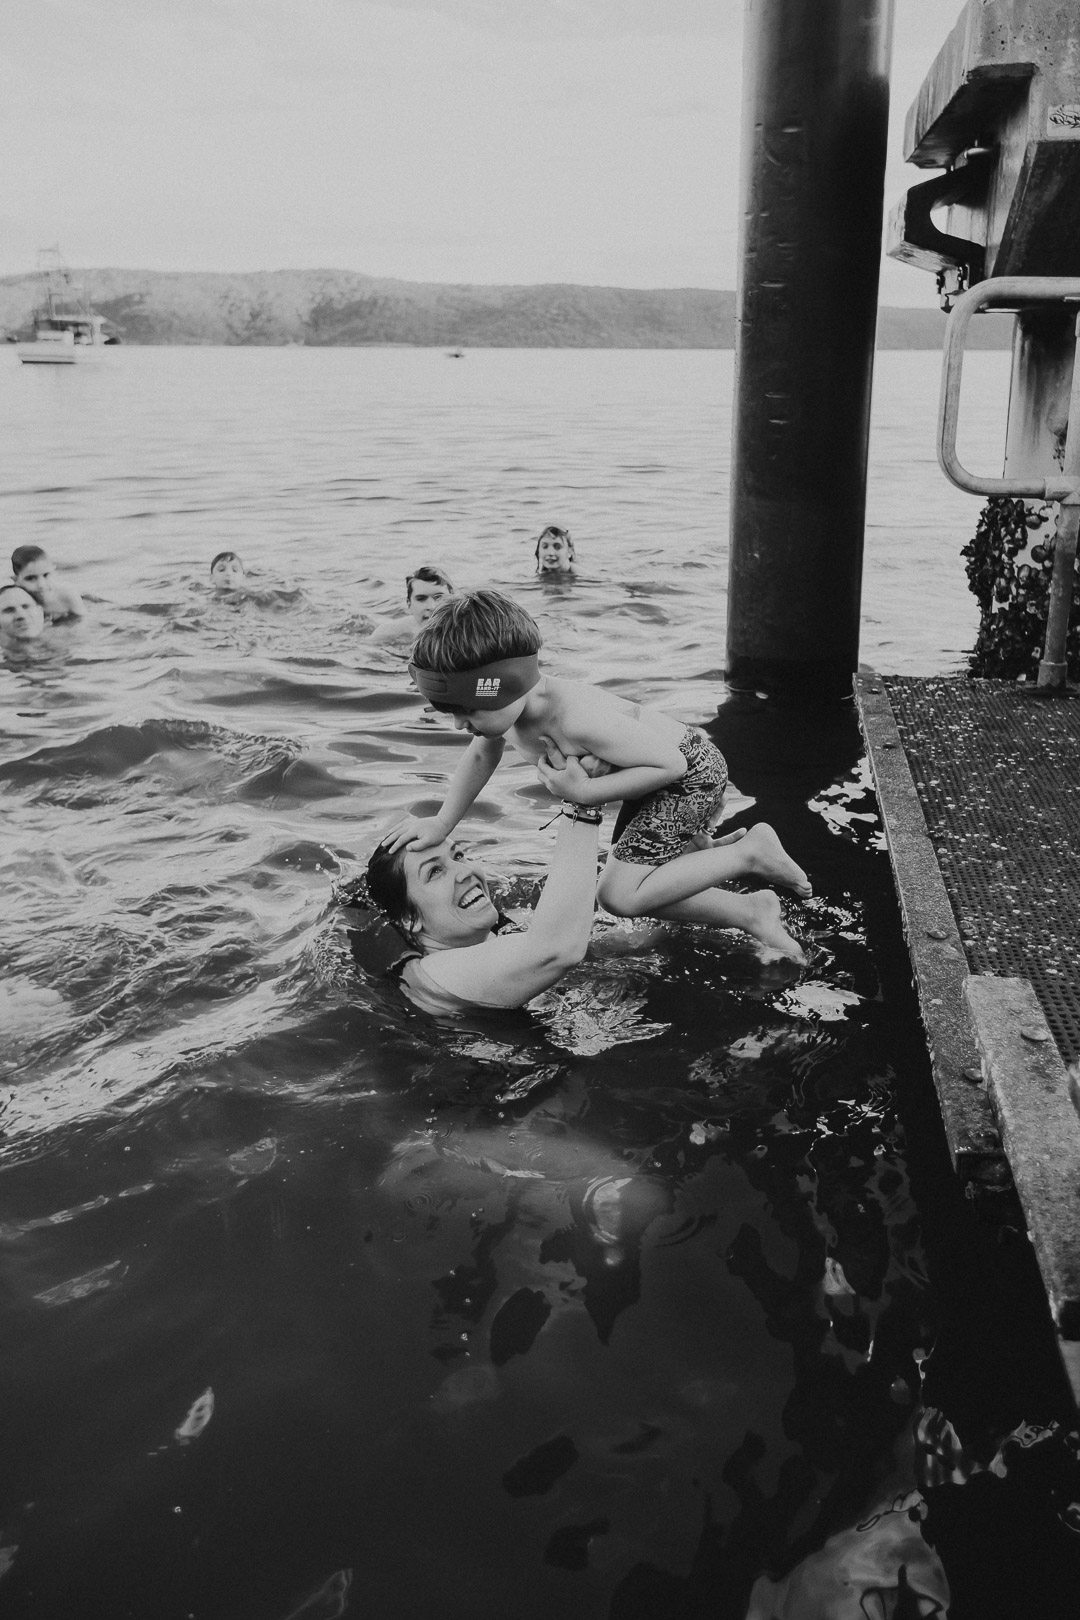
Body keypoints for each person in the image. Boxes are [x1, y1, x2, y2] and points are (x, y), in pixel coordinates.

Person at [386, 590, 810, 960]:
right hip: (650, 780)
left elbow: (671, 765)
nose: (461, 725)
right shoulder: (507, 708)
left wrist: (586, 792)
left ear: (503, 684)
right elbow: (482, 756)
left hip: (687, 776)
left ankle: (749, 853)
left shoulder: (575, 719)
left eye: (466, 711)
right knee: (655, 892)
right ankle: (750, 909)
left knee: (619, 896)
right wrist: (443, 821)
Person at [362, 763, 604, 1012]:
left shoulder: (509, 929)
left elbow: (600, 942)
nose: (465, 872)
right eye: (435, 871)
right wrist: (582, 802)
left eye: (458, 856)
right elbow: (557, 949)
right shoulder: (435, 974)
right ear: (408, 917)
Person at [370, 565, 455, 645]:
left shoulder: (465, 630)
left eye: (439, 597)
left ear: (454, 599)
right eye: (421, 599)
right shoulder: (389, 632)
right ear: (409, 604)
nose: (431, 606)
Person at [11, 545, 84, 621]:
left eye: (46, 575)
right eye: (31, 578)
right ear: (16, 580)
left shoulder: (67, 596)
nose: (41, 585)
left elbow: (84, 623)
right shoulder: (12, 603)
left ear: (54, 571)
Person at [0, 583, 47, 652]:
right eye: (9, 610)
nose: (22, 615)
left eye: (26, 606)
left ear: (41, 612)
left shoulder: (66, 640)